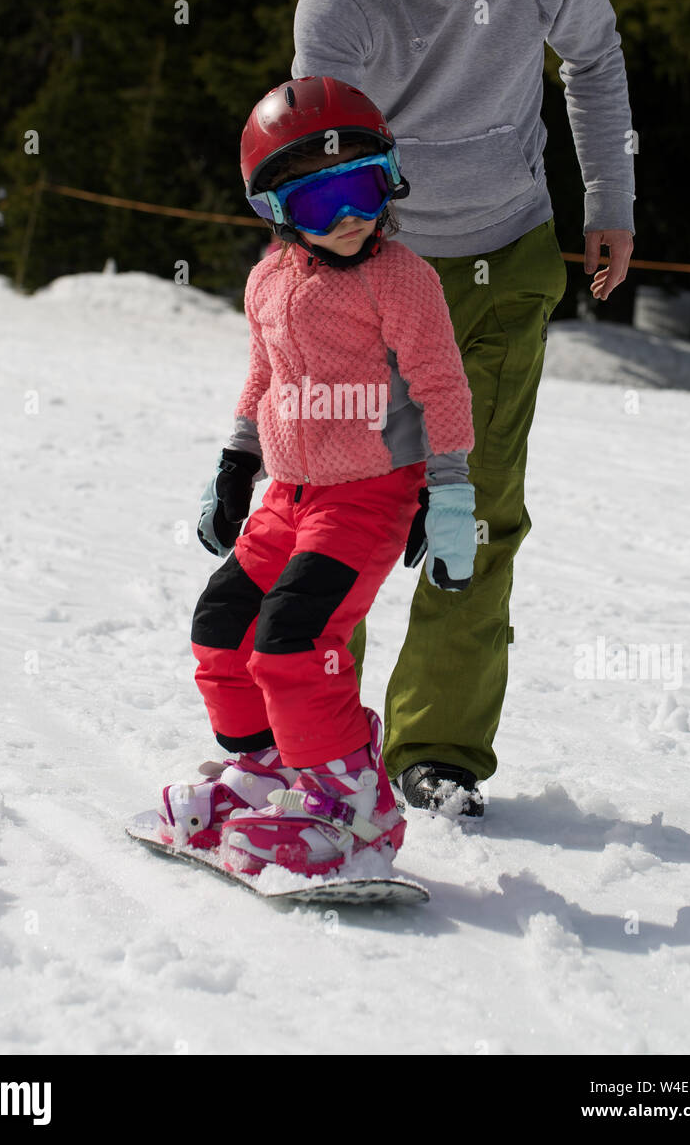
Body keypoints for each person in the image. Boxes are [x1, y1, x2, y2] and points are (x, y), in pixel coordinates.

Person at [290, 0, 636, 815]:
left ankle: (435, 749)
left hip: (505, 255)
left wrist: (607, 199)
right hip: (370, 271)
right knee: (338, 513)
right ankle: (309, 741)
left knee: (473, 519)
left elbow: (595, 60)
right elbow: (320, 160)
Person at [155, 75, 476, 878]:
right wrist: (234, 466)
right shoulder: (268, 278)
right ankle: (270, 774)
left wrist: (450, 491)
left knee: (294, 642)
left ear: (390, 179)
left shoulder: (401, 278)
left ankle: (352, 812)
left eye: (363, 189)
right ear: (276, 214)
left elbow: (440, 384)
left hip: (368, 495)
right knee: (222, 630)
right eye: (317, 204)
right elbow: (263, 376)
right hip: (288, 494)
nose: (349, 220)